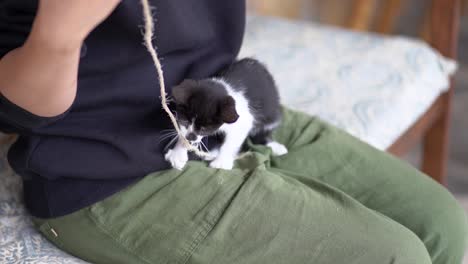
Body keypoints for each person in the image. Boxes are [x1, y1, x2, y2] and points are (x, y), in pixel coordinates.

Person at [0, 1, 466, 263]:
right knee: (396, 257)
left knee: (443, 224)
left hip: (222, 102)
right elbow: (15, 111)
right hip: (107, 171)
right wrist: (58, 37)